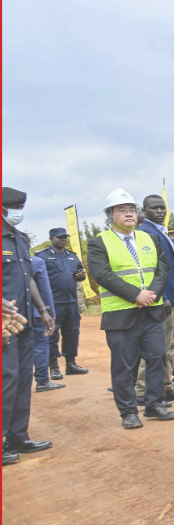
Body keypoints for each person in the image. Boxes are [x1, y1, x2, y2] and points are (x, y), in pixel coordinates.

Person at [87, 188, 174, 429]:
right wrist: (135, 295)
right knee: (125, 365)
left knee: (157, 357)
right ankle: (128, 411)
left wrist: (153, 294)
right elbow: (102, 275)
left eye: (131, 210)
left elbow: (162, 268)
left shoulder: (150, 238)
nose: (129, 214)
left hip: (152, 311)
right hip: (121, 315)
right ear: (110, 215)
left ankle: (154, 404)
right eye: (121, 210)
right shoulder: (99, 243)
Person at [3, 187, 55, 466]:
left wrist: (43, 311)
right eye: (13, 208)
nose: (17, 213)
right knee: (6, 379)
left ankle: (17, 436)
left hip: (23, 320)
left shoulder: (20, 239)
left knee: (23, 378)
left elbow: (29, 278)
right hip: (3, 325)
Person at [136, 195, 174, 403]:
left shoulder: (162, 232)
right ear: (144, 210)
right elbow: (151, 270)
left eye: (162, 208)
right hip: (163, 299)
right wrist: (164, 296)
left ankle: (166, 386)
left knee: (171, 346)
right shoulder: (145, 234)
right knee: (157, 348)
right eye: (154, 208)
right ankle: (142, 391)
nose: (160, 212)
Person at [35, 227, 87, 379]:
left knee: (72, 333)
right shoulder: (42, 256)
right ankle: (54, 367)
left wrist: (81, 276)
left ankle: (70, 363)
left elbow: (80, 273)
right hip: (53, 303)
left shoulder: (72, 256)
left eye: (65, 237)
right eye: (60, 237)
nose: (63, 240)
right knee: (52, 335)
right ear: (51, 238)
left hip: (71, 301)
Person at [29, 257, 63, 392]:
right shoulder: (36, 262)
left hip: (11, 313)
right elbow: (44, 288)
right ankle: (42, 380)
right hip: (36, 313)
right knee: (40, 346)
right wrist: (50, 312)